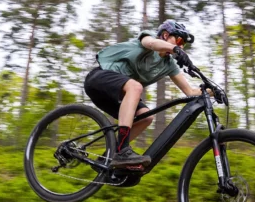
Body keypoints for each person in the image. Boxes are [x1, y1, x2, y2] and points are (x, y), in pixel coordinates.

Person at [84, 19, 202, 168]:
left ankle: (108, 157)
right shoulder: (148, 38)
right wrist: (175, 49)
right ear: (165, 35)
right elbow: (152, 44)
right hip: (98, 78)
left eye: (182, 44)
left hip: (116, 94)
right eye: (179, 40)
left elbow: (190, 92)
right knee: (135, 87)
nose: (180, 46)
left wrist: (212, 91)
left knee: (146, 116)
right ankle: (121, 151)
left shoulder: (169, 65)